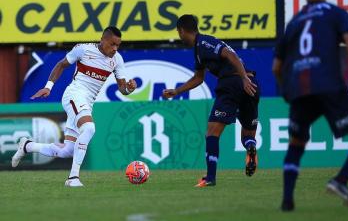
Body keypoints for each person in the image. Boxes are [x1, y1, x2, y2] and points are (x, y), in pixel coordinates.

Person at [272, 0, 348, 211]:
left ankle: (287, 202)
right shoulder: (336, 13)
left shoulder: (293, 23)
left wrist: (286, 89)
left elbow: (276, 67)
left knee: (295, 145)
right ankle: (341, 180)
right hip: (329, 85)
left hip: (300, 89)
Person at [11, 26, 136, 187]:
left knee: (67, 150)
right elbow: (61, 65)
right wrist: (48, 87)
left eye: (117, 45)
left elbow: (122, 89)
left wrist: (129, 88)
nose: (115, 48)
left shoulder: (117, 60)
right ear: (102, 40)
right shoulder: (83, 49)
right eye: (112, 44)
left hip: (87, 103)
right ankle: (73, 178)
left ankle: (27, 146)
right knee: (89, 128)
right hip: (74, 95)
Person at [162, 14, 260, 187]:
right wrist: (176, 91)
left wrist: (243, 78)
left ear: (182, 30)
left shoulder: (205, 43)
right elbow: (198, 78)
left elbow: (230, 55)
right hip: (251, 85)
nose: (179, 36)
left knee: (212, 133)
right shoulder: (199, 51)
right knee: (247, 134)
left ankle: (210, 177)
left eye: (179, 32)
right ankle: (251, 147)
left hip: (234, 83)